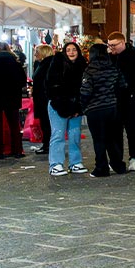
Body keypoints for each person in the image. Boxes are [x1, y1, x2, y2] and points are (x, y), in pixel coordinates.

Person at [78, 41, 128, 177]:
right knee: (112, 138)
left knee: (99, 139)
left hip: (95, 109)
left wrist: (84, 106)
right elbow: (122, 85)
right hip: (112, 107)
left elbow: (86, 92)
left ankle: (101, 167)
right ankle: (118, 165)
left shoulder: (90, 71)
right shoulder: (113, 68)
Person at [46, 41, 88, 176]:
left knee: (75, 135)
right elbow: (51, 87)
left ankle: (75, 162)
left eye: (74, 49)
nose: (71, 52)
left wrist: (78, 107)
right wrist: (63, 105)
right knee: (58, 134)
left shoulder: (83, 65)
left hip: (76, 106)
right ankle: (55, 164)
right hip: (58, 106)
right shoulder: (57, 65)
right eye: (68, 50)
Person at [104, 31, 135, 172]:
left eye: (114, 45)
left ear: (122, 43)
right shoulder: (109, 57)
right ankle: (116, 159)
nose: (111, 48)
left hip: (130, 99)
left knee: (132, 130)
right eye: (109, 45)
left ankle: (134, 158)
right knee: (116, 131)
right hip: (113, 99)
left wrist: (134, 93)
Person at [30, 44, 54, 156]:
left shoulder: (47, 64)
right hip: (42, 98)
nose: (35, 55)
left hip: (44, 99)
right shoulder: (43, 64)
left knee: (46, 122)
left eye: (37, 52)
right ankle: (46, 144)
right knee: (45, 122)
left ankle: (47, 145)